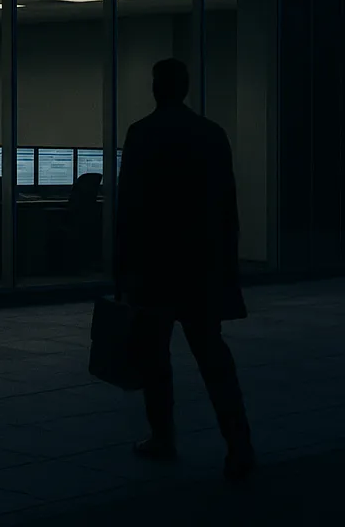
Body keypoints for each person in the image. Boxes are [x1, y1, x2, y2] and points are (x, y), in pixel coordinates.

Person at [114, 57, 254, 481]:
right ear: (187, 88)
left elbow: (129, 210)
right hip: (201, 267)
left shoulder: (142, 134)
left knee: (155, 359)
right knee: (214, 359)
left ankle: (163, 436)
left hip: (156, 267)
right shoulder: (212, 134)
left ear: (156, 88)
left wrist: (123, 272)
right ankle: (239, 447)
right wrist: (228, 268)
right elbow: (228, 208)